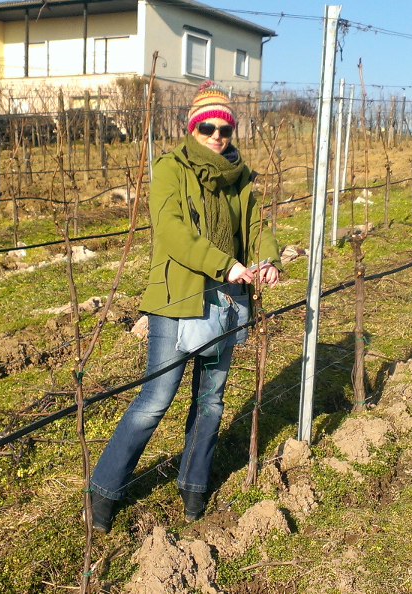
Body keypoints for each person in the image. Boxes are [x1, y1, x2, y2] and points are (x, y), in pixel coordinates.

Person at [88, 80, 281, 533]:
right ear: (192, 128)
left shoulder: (239, 178)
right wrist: (224, 264)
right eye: (207, 126)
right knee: (155, 400)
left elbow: (257, 226)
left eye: (224, 128)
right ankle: (104, 488)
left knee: (211, 402)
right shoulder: (171, 169)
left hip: (228, 304)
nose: (217, 135)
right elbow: (172, 231)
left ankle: (194, 485)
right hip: (178, 302)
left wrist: (265, 258)